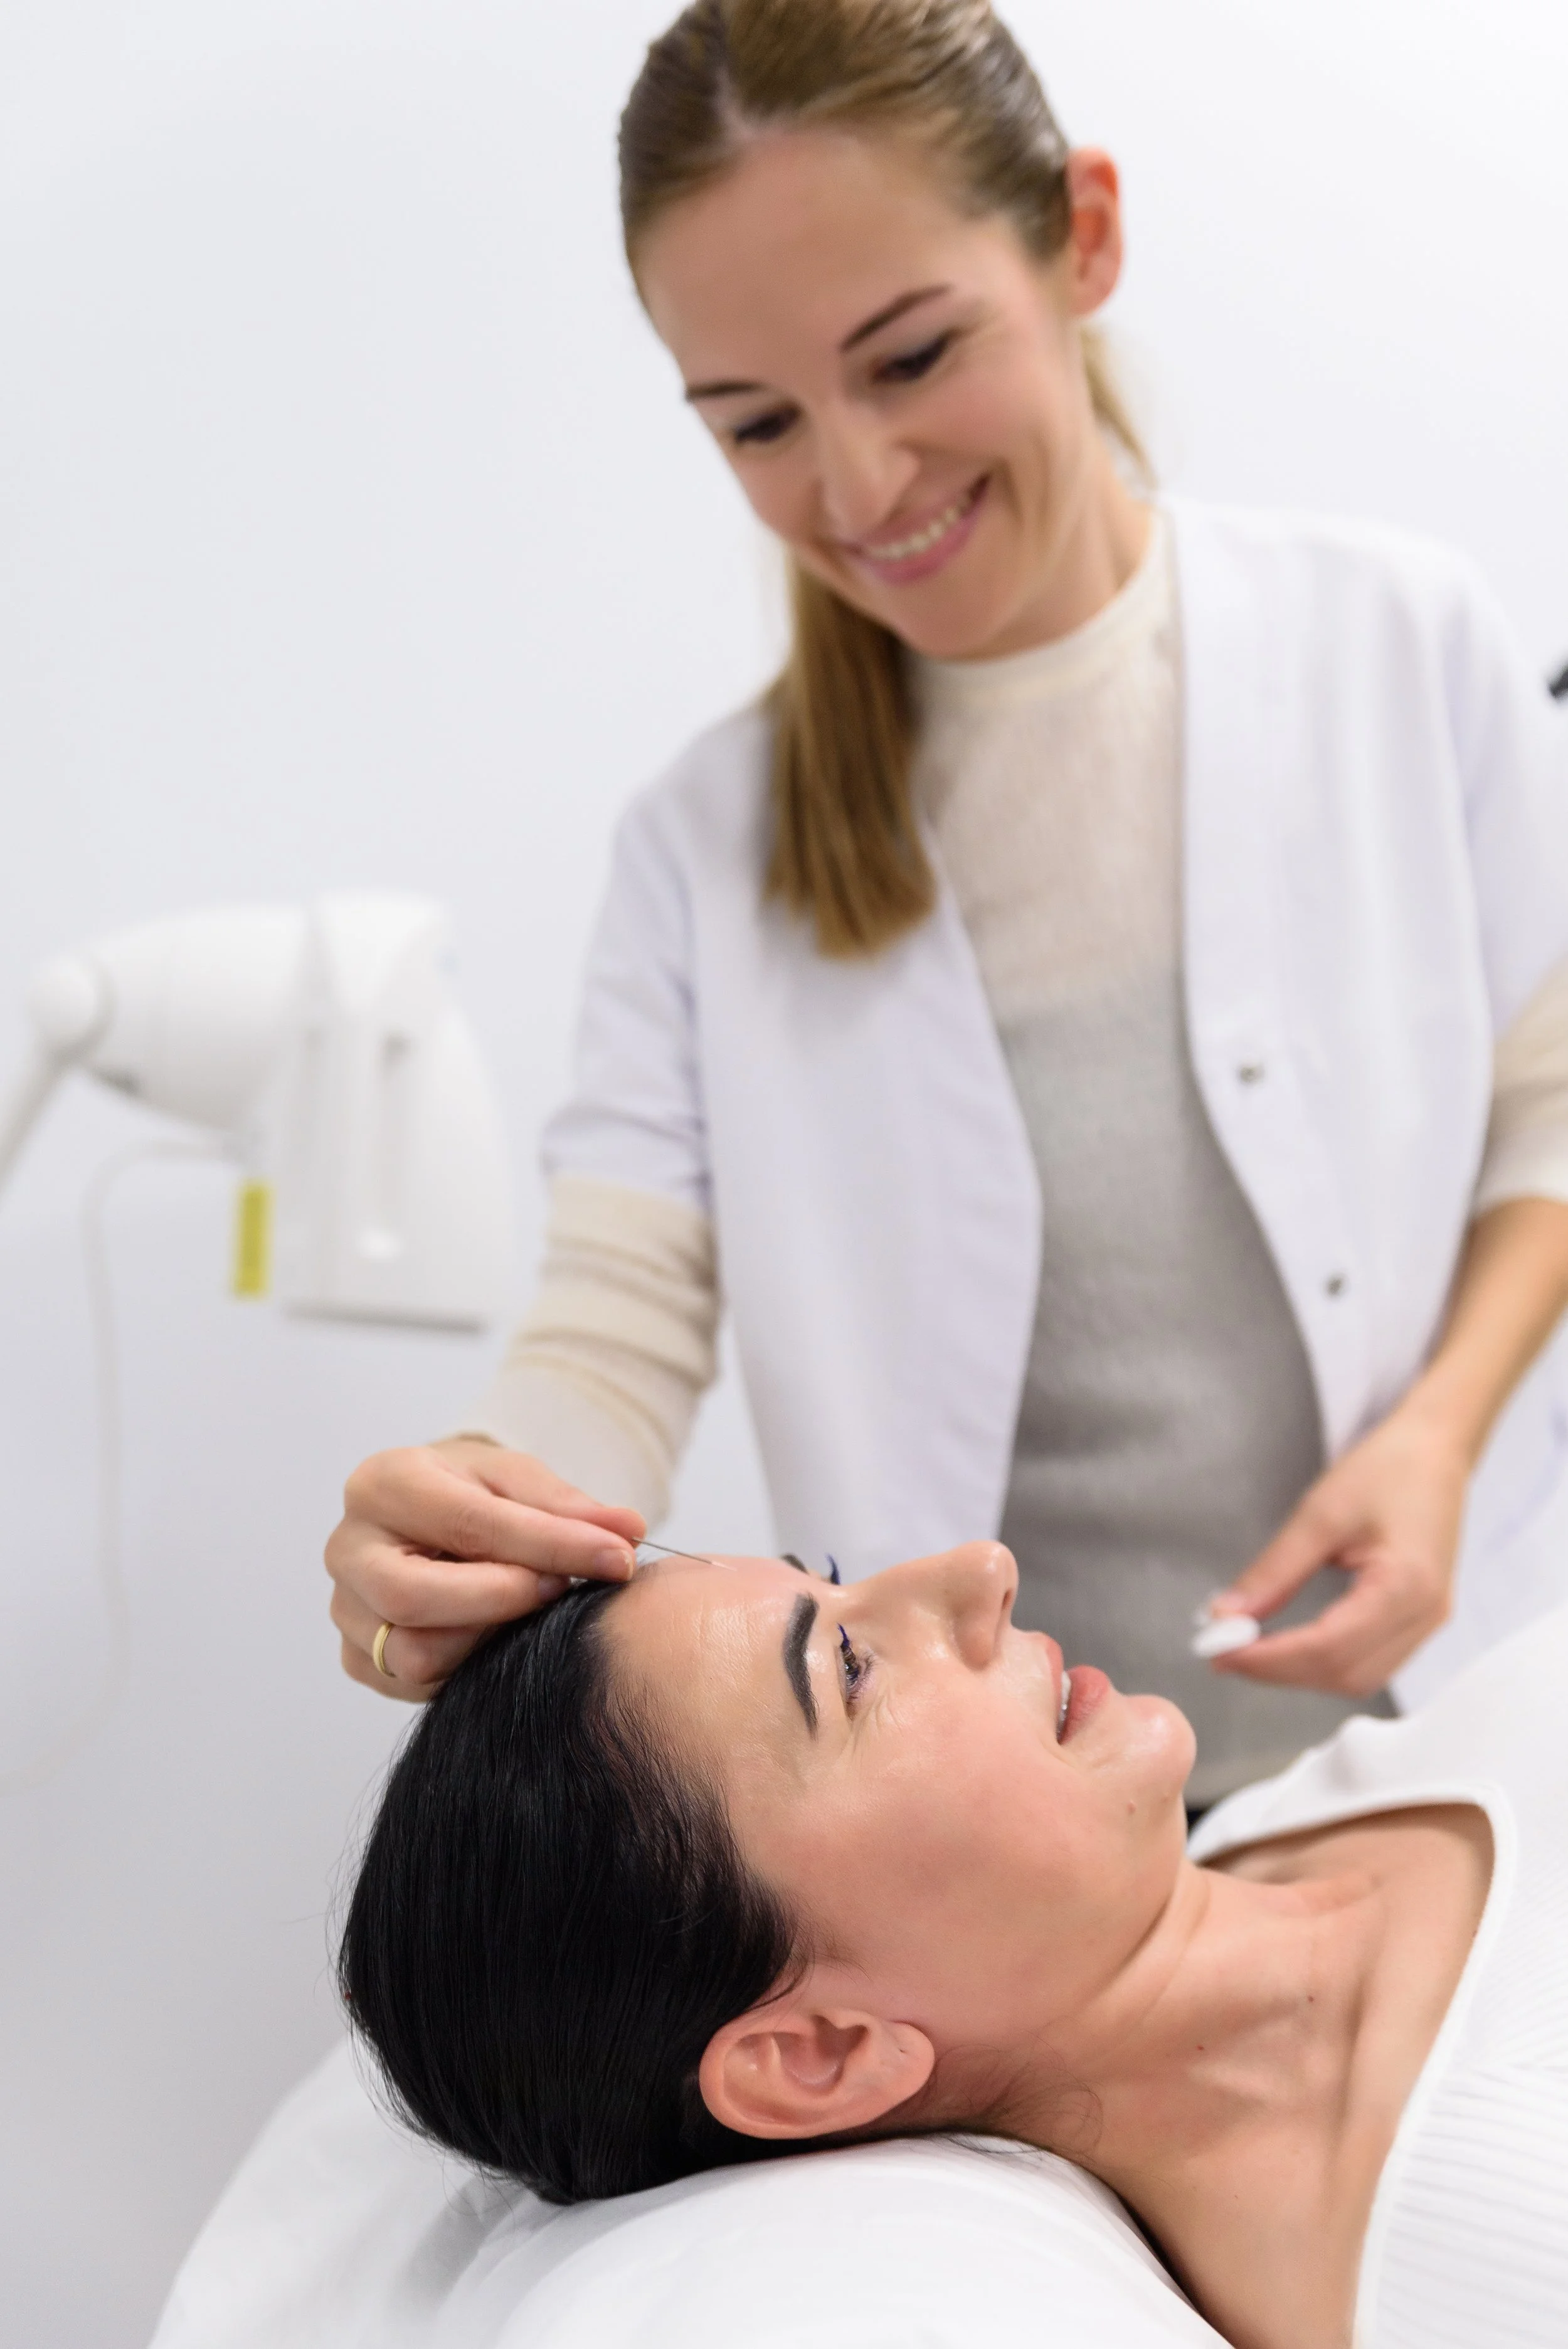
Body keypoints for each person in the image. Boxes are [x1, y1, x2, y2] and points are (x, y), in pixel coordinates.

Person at [325, 0, 1568, 1805]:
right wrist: (465, 1508)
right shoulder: (705, 844)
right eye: (754, 423)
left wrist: (1437, 1437)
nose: (853, 486)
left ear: (1083, 236)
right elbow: (620, 1315)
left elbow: (1548, 1101)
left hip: (1462, 1733)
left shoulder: (1396, 645)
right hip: (1021, 1856)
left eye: (907, 358)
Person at [340, 1541, 1568, 2349]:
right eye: (851, 1668)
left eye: (831, 1581)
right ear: (817, 2052)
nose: (980, 1573)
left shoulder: (1308, 1808)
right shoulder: (1495, 2219)